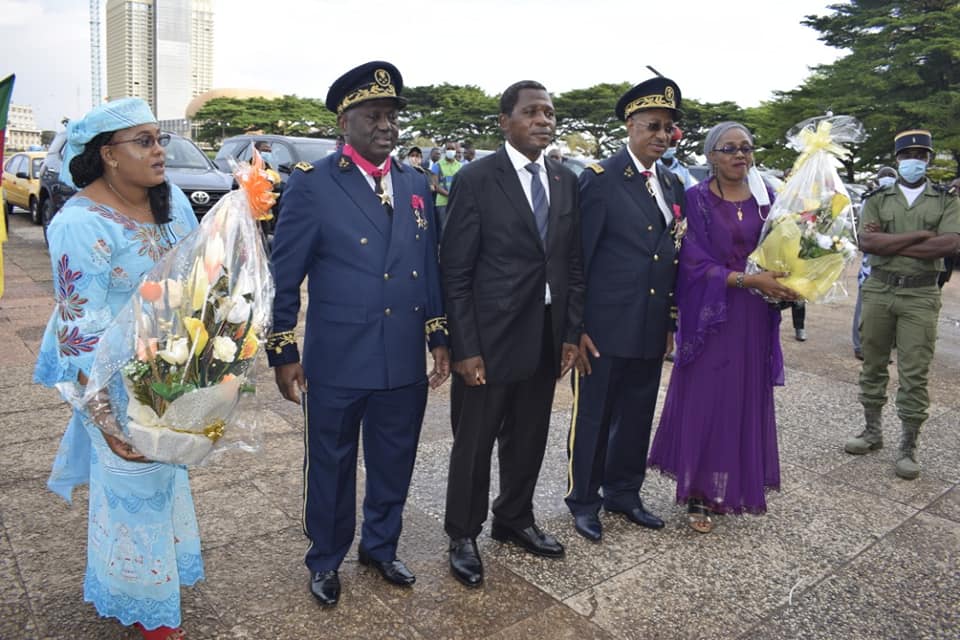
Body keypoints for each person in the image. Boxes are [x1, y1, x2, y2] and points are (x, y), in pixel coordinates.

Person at [266, 61, 450, 606]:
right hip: (339, 357)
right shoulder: (314, 185)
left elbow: (429, 267)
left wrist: (439, 337)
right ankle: (325, 558)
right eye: (374, 114)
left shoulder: (416, 183)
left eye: (392, 115)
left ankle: (381, 546)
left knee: (395, 457)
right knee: (331, 462)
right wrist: (283, 347)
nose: (386, 125)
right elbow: (285, 273)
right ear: (344, 122)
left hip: (399, 358)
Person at [33, 98, 200, 640]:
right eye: (145, 141)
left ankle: (156, 576)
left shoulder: (170, 200)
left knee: (164, 478)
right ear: (108, 155)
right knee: (130, 479)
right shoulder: (78, 223)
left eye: (160, 139)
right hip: (108, 379)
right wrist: (104, 418)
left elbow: (201, 271)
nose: (159, 151)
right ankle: (141, 602)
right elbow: (80, 327)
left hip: (171, 368)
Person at [441, 80, 585, 587]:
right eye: (532, 112)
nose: (544, 120)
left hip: (545, 334)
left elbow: (570, 263)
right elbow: (455, 271)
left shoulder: (566, 180)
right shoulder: (478, 179)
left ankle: (514, 518)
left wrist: (570, 331)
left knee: (529, 436)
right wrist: (465, 346)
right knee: (475, 441)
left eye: (549, 112)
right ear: (505, 121)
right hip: (490, 336)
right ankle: (463, 532)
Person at [648, 121, 799, 533]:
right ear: (711, 156)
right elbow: (692, 264)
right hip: (710, 317)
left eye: (746, 148)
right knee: (706, 399)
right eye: (729, 148)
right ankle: (697, 490)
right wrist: (748, 280)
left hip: (753, 318)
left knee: (741, 398)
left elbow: (784, 247)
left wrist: (793, 279)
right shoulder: (695, 200)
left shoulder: (767, 199)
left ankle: (727, 488)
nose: (739, 155)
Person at [565, 77, 686, 542]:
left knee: (637, 412)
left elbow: (672, 255)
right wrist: (576, 327)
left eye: (668, 129)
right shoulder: (600, 180)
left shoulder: (672, 183)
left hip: (649, 324)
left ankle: (624, 491)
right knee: (593, 415)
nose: (661, 135)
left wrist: (671, 319)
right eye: (652, 126)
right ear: (631, 127)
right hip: (604, 325)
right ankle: (584, 499)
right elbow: (577, 259)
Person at [844, 129, 960, 479]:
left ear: (928, 158)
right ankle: (872, 431)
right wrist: (921, 236)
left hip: (921, 293)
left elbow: (949, 245)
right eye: (908, 154)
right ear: (897, 159)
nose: (914, 160)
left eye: (921, 155)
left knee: (914, 371)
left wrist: (889, 243)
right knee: (873, 363)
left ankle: (909, 445)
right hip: (879, 290)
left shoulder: (945, 200)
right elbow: (866, 241)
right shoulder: (878, 196)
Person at [853, 166, 898, 360]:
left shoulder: (899, 201)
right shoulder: (870, 200)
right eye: (885, 177)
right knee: (863, 310)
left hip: (893, 269)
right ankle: (859, 345)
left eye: (891, 177)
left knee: (887, 314)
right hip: (870, 268)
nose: (888, 180)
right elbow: (867, 238)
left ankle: (882, 349)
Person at [431, 140, 462, 237]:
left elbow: (462, 185)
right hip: (442, 203)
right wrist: (450, 195)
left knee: (456, 229)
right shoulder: (438, 165)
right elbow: (436, 185)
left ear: (456, 151)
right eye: (448, 148)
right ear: (444, 150)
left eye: (452, 149)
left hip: (457, 202)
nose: (450, 151)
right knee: (444, 230)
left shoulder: (460, 166)